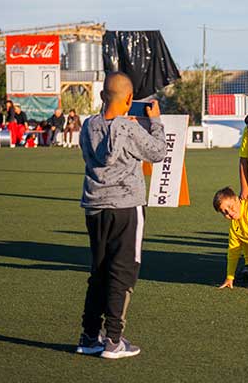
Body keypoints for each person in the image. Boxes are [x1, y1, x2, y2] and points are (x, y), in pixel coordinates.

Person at [76, 71, 166, 359]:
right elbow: (158, 152)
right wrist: (155, 122)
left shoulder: (88, 125)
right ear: (129, 99)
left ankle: (90, 336)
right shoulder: (128, 129)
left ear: (102, 96)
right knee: (124, 272)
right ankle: (114, 340)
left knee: (99, 271)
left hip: (94, 206)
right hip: (126, 206)